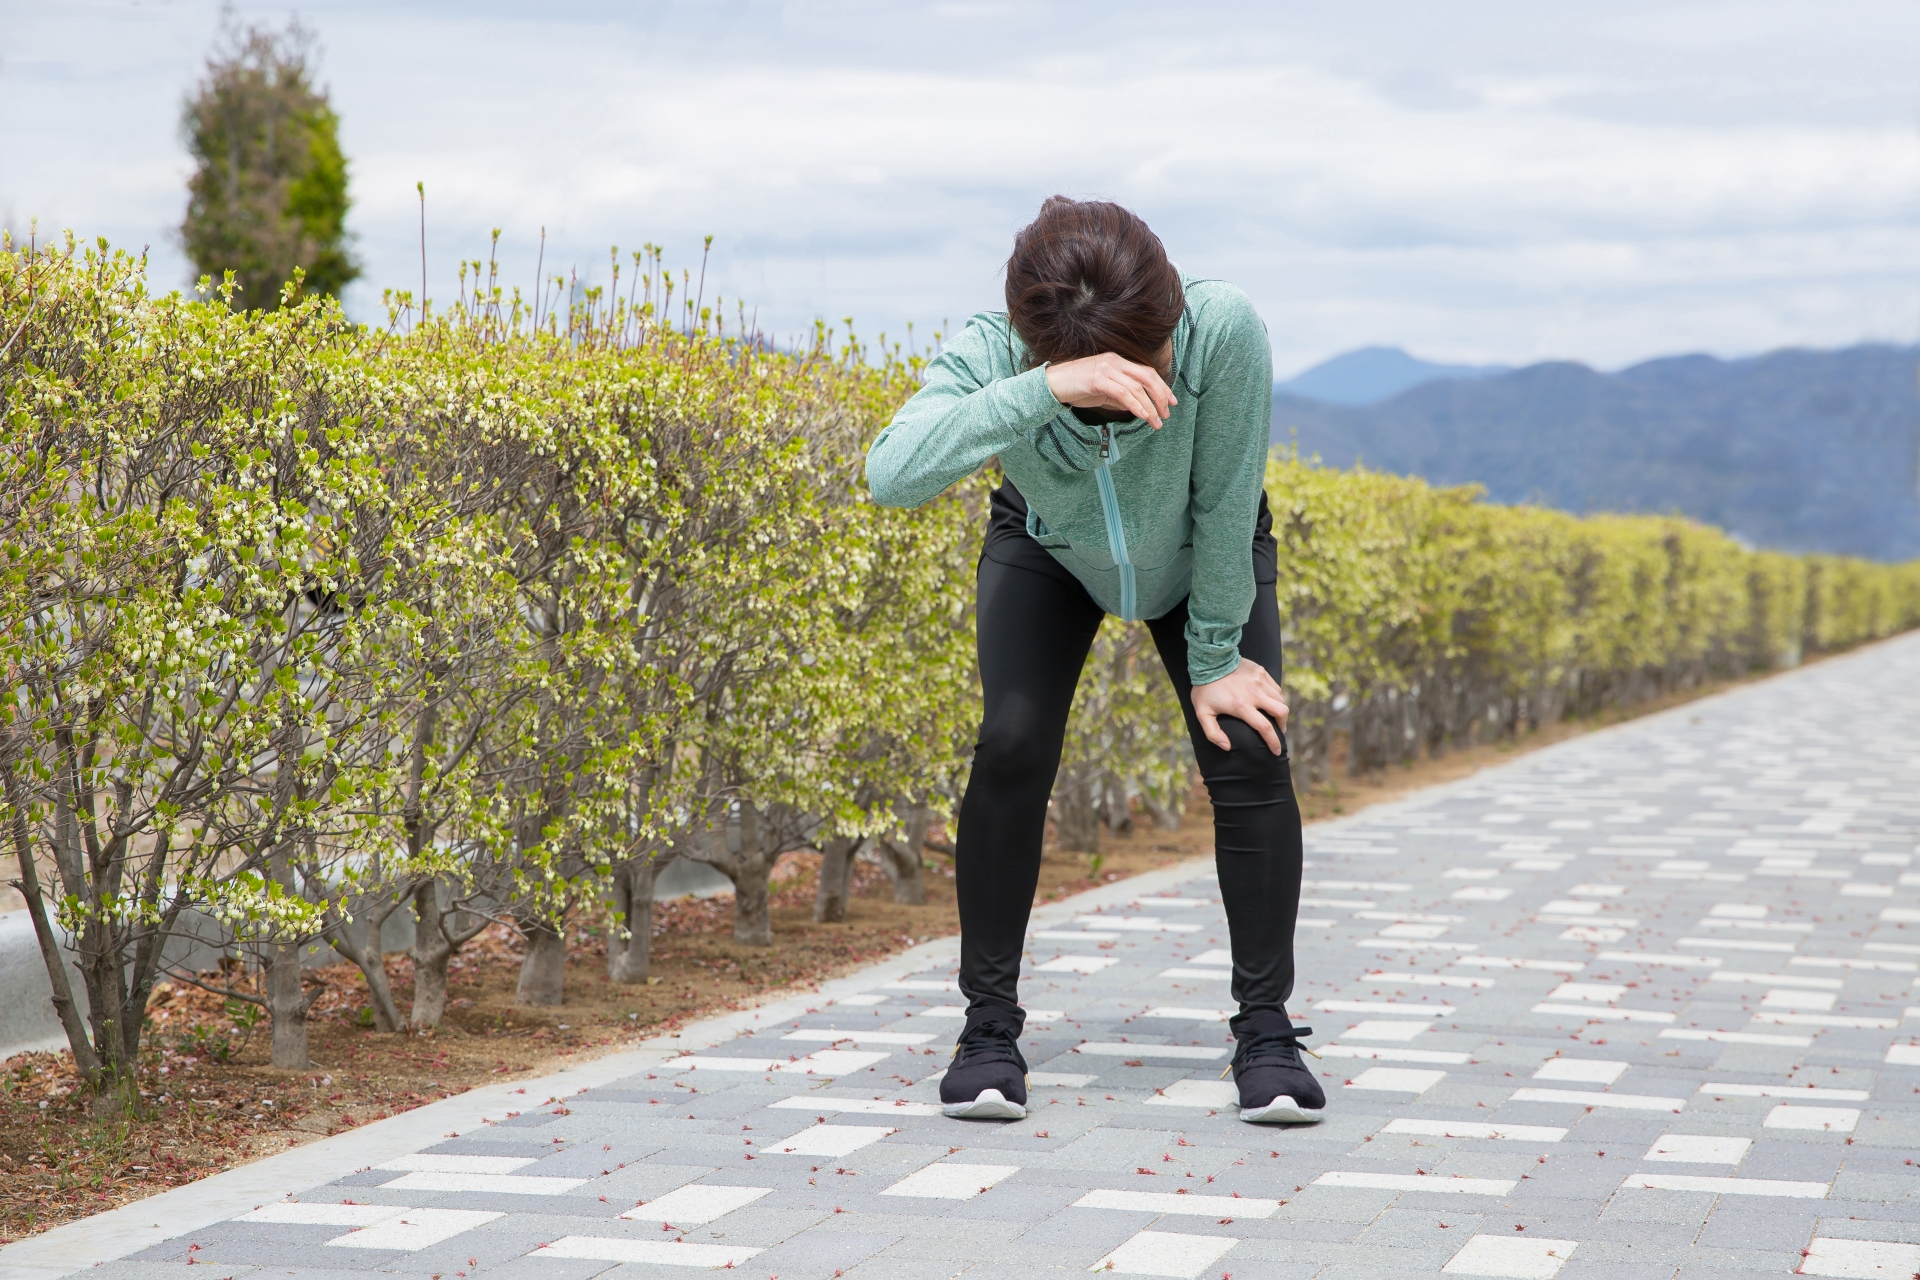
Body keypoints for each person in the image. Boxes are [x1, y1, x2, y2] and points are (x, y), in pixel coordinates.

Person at [866, 196, 1321, 1126]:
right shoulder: (998, 351)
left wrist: (1213, 659)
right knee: (1011, 743)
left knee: (1247, 743)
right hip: (1049, 549)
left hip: (1201, 556)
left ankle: (1267, 1033)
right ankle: (987, 1030)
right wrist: (1046, 389)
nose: (1136, 384)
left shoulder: (1222, 329)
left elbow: (1230, 502)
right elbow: (891, 472)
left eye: (1148, 359)